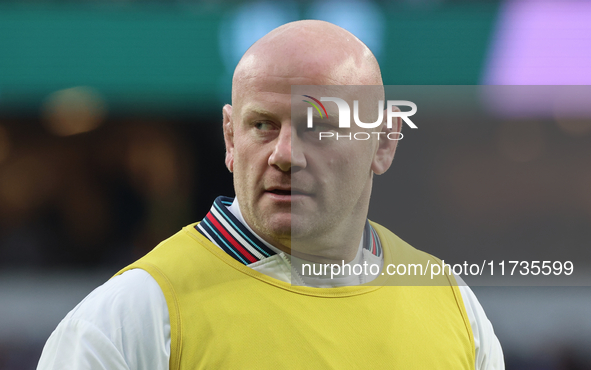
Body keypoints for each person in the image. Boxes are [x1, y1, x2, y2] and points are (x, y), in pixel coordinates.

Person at [37, 20, 504, 369]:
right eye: (262, 124)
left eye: (319, 127)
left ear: (383, 142)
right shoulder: (132, 316)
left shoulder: (449, 301)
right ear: (230, 138)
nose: (284, 154)